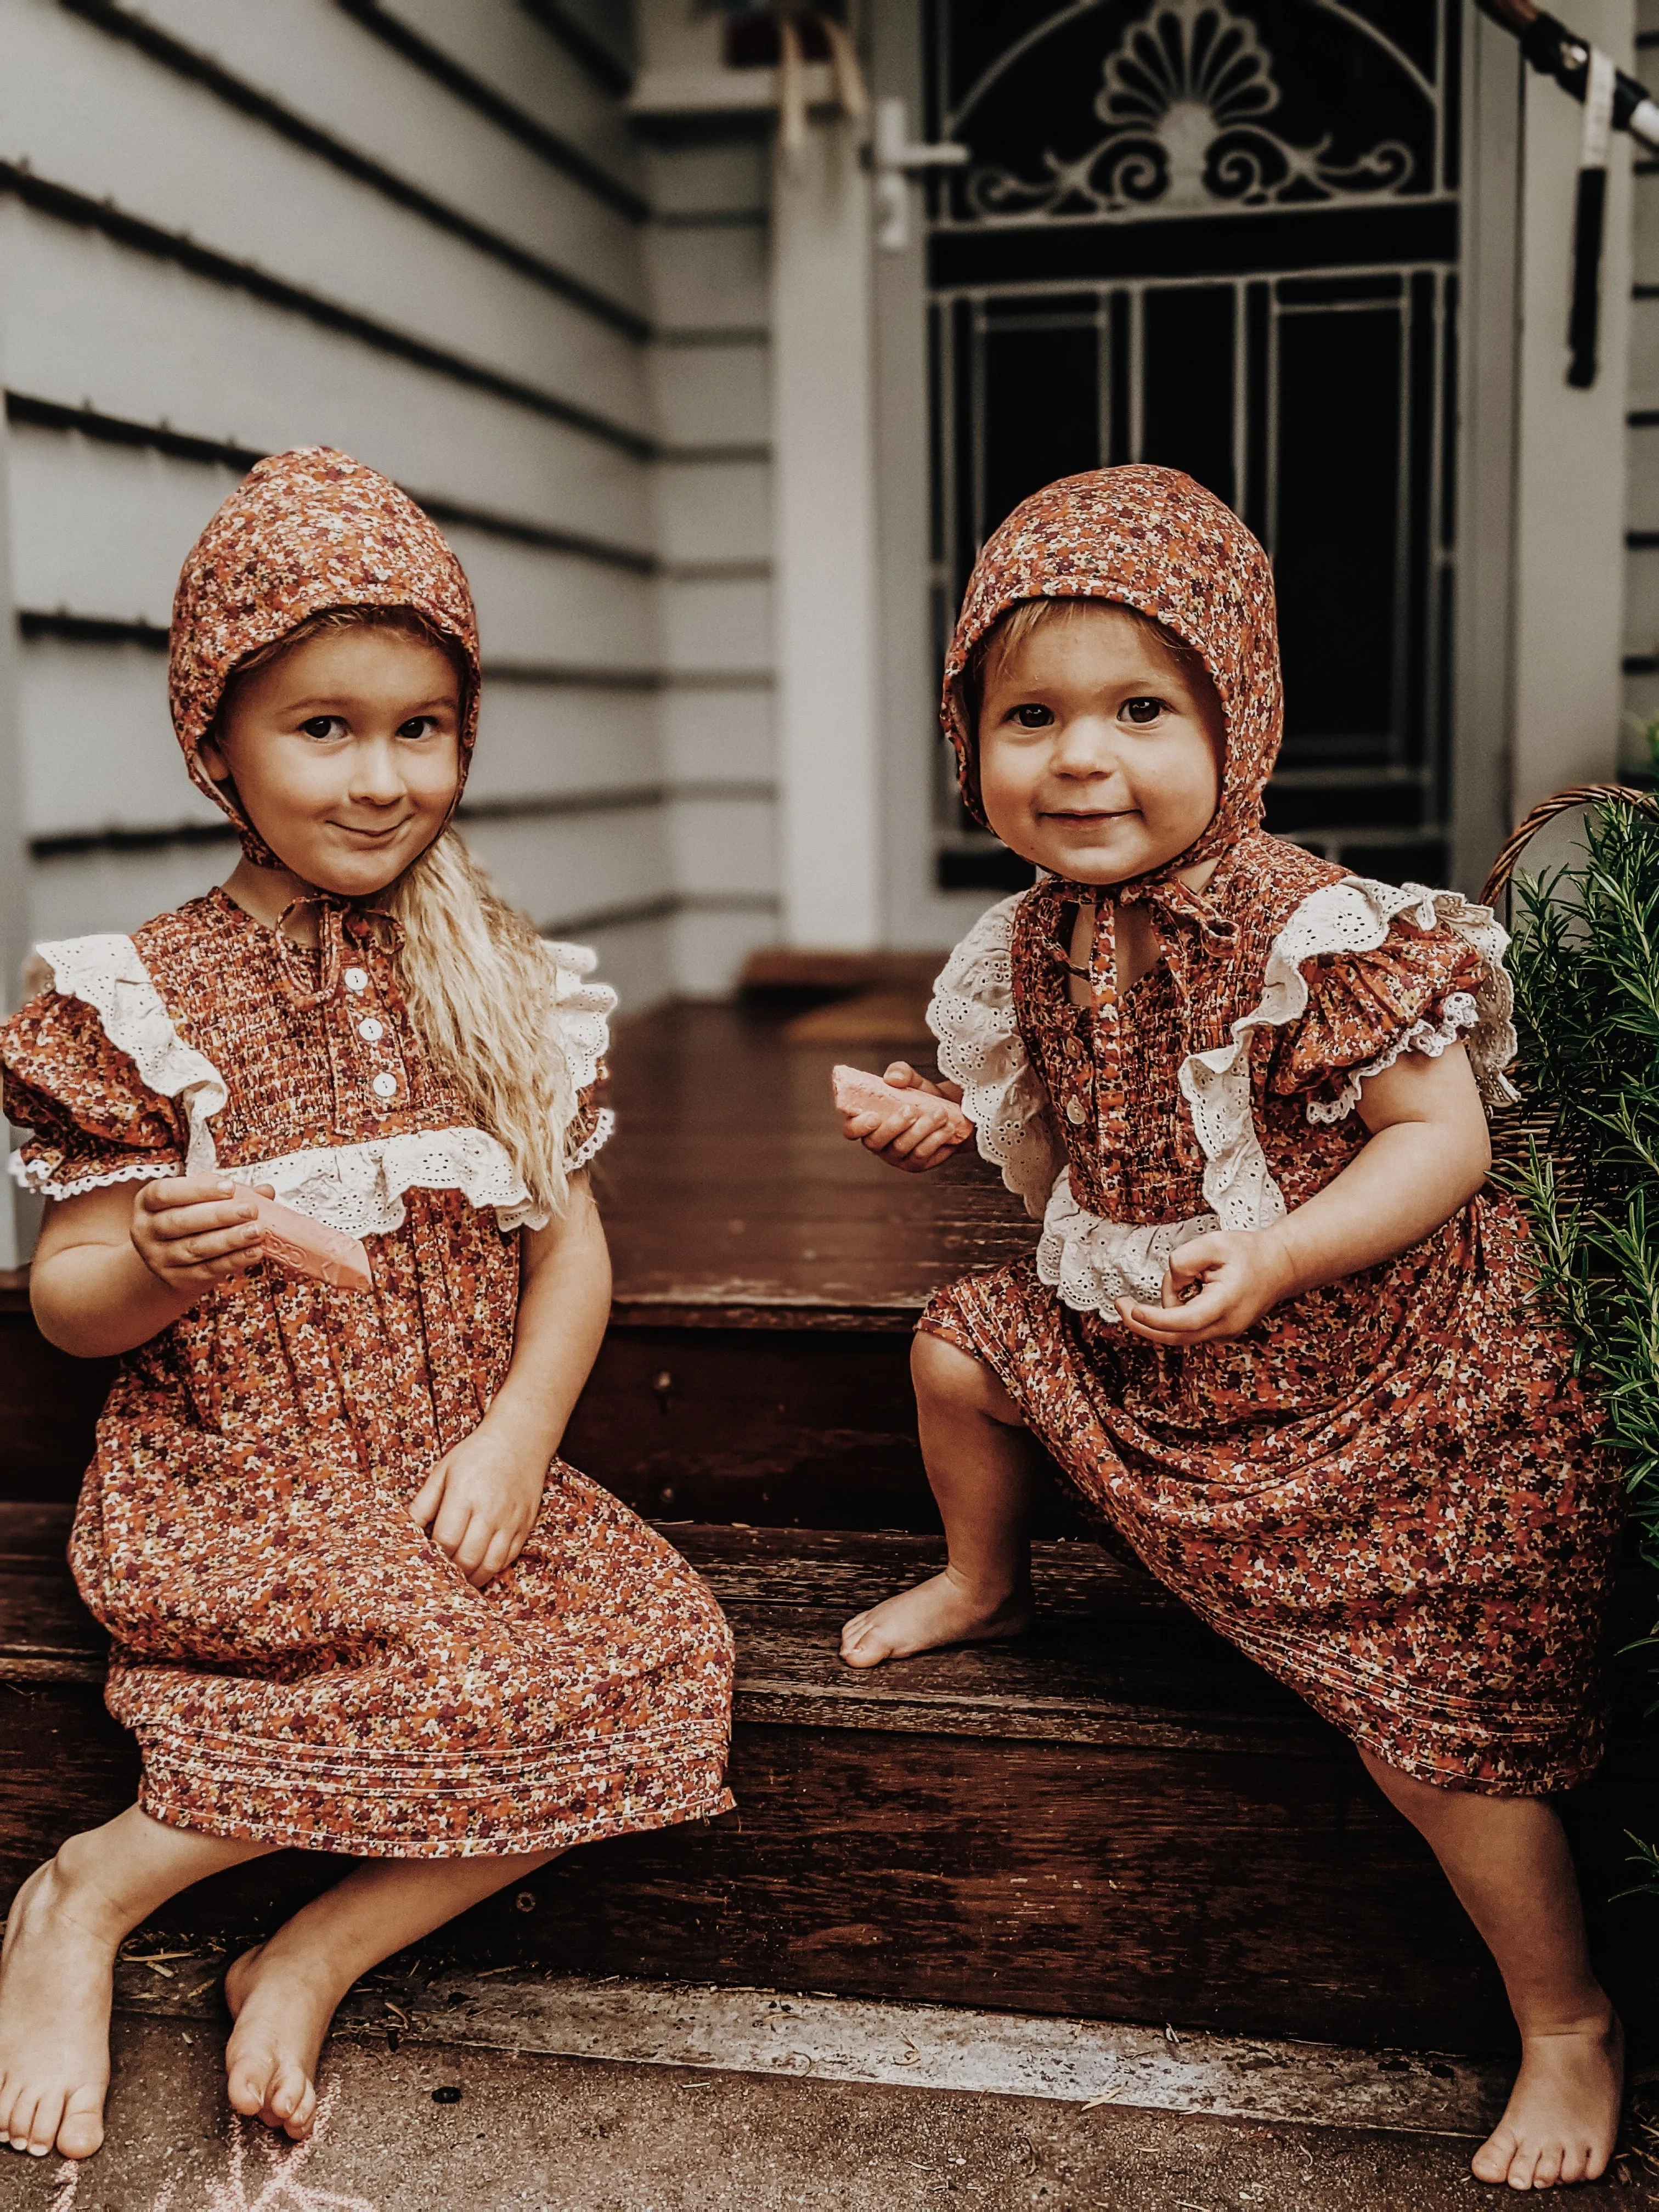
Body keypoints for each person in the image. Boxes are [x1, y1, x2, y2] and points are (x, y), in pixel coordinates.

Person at [833, 467, 1623, 2192]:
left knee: (1436, 1731)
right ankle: (987, 1577)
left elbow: (1442, 1144)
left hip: (1375, 1373)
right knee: (960, 1351)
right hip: (1166, 1345)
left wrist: (1281, 1263)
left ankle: (1567, 2023)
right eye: (1028, 714)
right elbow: (1079, 1134)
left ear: (1236, 720)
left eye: (1141, 707)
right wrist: (943, 1123)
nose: (1082, 757)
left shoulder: (1315, 927)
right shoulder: (1029, 941)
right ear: (969, 742)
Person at [0, 449, 734, 2164]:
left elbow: (573, 1244)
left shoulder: (498, 977)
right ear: (219, 745)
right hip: (245, 1469)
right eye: (322, 729)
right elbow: (68, 1303)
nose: (383, 775)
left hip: (449, 1458)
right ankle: (85, 1898)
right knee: (431, 1664)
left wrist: (519, 1432)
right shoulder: (140, 998)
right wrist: (162, 1260)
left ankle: (313, 1949)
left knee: (664, 1661)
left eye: (423, 727)